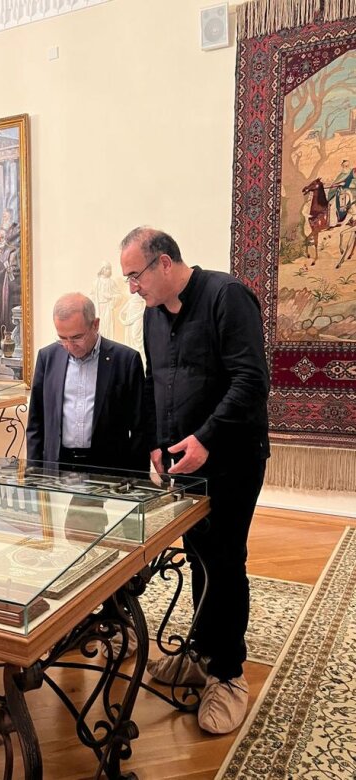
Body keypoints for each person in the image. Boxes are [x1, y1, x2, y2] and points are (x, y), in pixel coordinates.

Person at [119, 227, 270, 736]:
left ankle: (228, 675)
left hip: (232, 460)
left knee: (225, 564)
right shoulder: (152, 315)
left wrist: (206, 438)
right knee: (199, 556)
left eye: (135, 275)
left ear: (164, 262)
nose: (132, 287)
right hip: (185, 462)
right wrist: (155, 443)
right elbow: (155, 383)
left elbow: (251, 380)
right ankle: (203, 651)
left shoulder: (227, 297)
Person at [26, 292, 149, 474]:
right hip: (58, 466)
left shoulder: (125, 360)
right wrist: (33, 473)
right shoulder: (48, 357)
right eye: (62, 338)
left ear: (95, 325)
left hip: (108, 469)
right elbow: (36, 422)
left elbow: (140, 428)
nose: (69, 346)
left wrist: (137, 479)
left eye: (76, 337)